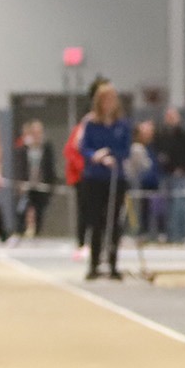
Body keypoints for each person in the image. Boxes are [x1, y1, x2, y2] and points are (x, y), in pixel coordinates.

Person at [78, 82, 131, 280]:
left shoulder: (122, 125)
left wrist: (112, 156)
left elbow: (126, 149)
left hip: (116, 177)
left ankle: (113, 264)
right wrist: (96, 156)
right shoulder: (91, 123)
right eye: (105, 100)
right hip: (94, 177)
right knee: (96, 221)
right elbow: (83, 147)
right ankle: (94, 264)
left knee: (114, 221)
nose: (108, 104)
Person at [152, 106, 185, 244]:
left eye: (173, 117)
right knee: (166, 206)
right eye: (168, 117)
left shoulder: (184, 135)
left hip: (180, 175)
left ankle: (181, 234)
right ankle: (169, 234)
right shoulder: (161, 135)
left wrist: (182, 168)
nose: (170, 119)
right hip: (165, 174)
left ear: (178, 118)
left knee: (180, 204)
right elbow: (157, 151)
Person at [13, 119, 56, 240]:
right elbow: (20, 165)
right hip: (27, 184)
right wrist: (21, 181)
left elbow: (50, 167)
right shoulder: (24, 147)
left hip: (41, 185)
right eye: (35, 132)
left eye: (39, 132)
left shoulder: (46, 147)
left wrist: (51, 184)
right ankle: (19, 232)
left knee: (39, 210)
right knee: (23, 208)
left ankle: (36, 233)